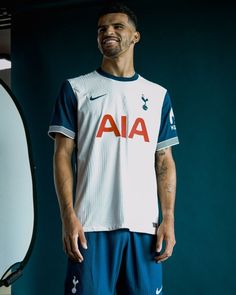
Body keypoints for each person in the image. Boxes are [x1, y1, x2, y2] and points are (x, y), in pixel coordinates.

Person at [48, 2, 179, 294]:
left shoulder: (158, 95)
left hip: (145, 228)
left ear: (135, 37)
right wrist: (68, 216)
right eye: (102, 28)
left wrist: (168, 219)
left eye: (117, 26)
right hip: (90, 226)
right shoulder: (76, 88)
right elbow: (62, 155)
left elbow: (164, 161)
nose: (108, 31)